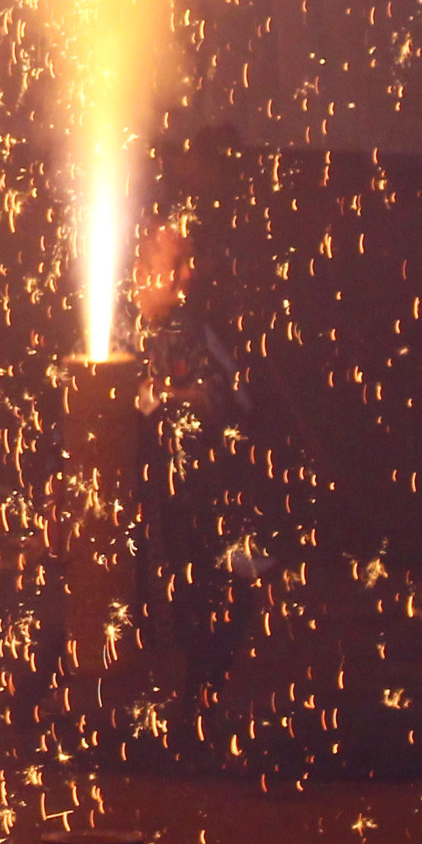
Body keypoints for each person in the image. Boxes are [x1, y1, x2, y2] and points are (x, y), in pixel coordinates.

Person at [114, 220, 262, 746]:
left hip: (196, 498)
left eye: (188, 263)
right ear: (141, 271)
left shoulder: (196, 330)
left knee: (231, 591)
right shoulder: (113, 332)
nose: (185, 276)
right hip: (133, 505)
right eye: (172, 265)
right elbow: (101, 405)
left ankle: (198, 712)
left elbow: (233, 396)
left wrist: (189, 400)